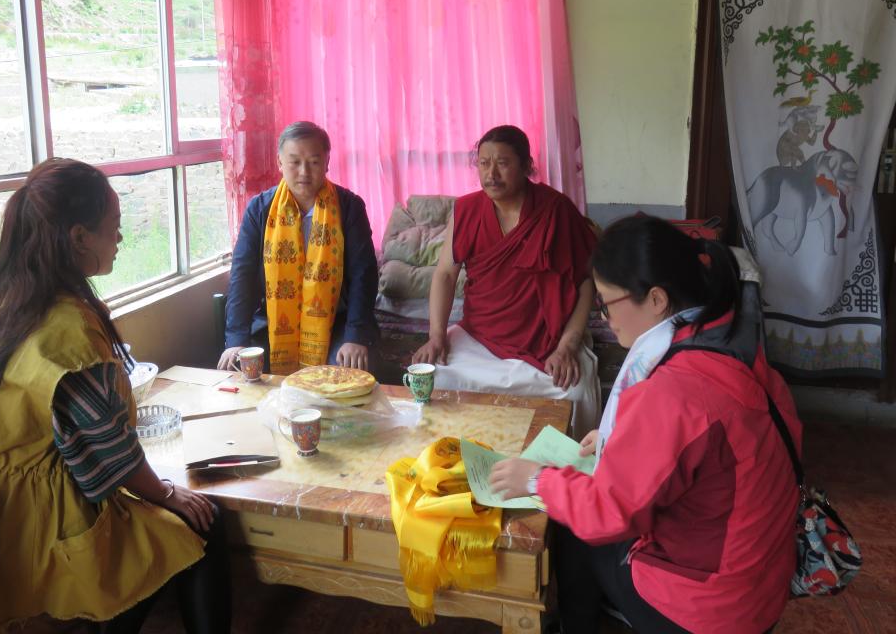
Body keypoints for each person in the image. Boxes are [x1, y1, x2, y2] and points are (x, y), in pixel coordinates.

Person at [0, 159, 230, 634]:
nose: (120, 238)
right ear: (80, 237)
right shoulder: (67, 329)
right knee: (201, 525)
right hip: (22, 509)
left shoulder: (1, 294)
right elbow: (111, 457)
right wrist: (169, 493)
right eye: (114, 226)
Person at [490, 215, 801, 634]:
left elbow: (606, 513)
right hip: (762, 578)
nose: (604, 318)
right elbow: (710, 444)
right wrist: (621, 438)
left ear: (656, 299)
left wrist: (536, 480)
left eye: (606, 304)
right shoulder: (733, 346)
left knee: (573, 525)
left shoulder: (672, 392)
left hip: (712, 606)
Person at [411, 125, 600, 435]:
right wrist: (436, 335)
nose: (491, 174)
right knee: (434, 376)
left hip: (546, 340)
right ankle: (452, 454)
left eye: (502, 163)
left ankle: (565, 461)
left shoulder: (556, 210)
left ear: (526, 166)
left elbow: (584, 284)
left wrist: (567, 346)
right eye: (484, 163)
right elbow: (445, 274)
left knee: (575, 387)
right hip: (480, 335)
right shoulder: (467, 210)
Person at [218, 121, 379, 374]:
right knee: (243, 369)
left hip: (336, 321)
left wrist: (355, 336)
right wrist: (236, 340)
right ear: (280, 163)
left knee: (345, 371)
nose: (304, 172)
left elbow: (364, 275)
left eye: (314, 162)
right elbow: (242, 275)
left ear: (327, 162)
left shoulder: (349, 207)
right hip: (272, 319)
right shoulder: (260, 209)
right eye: (294, 162)